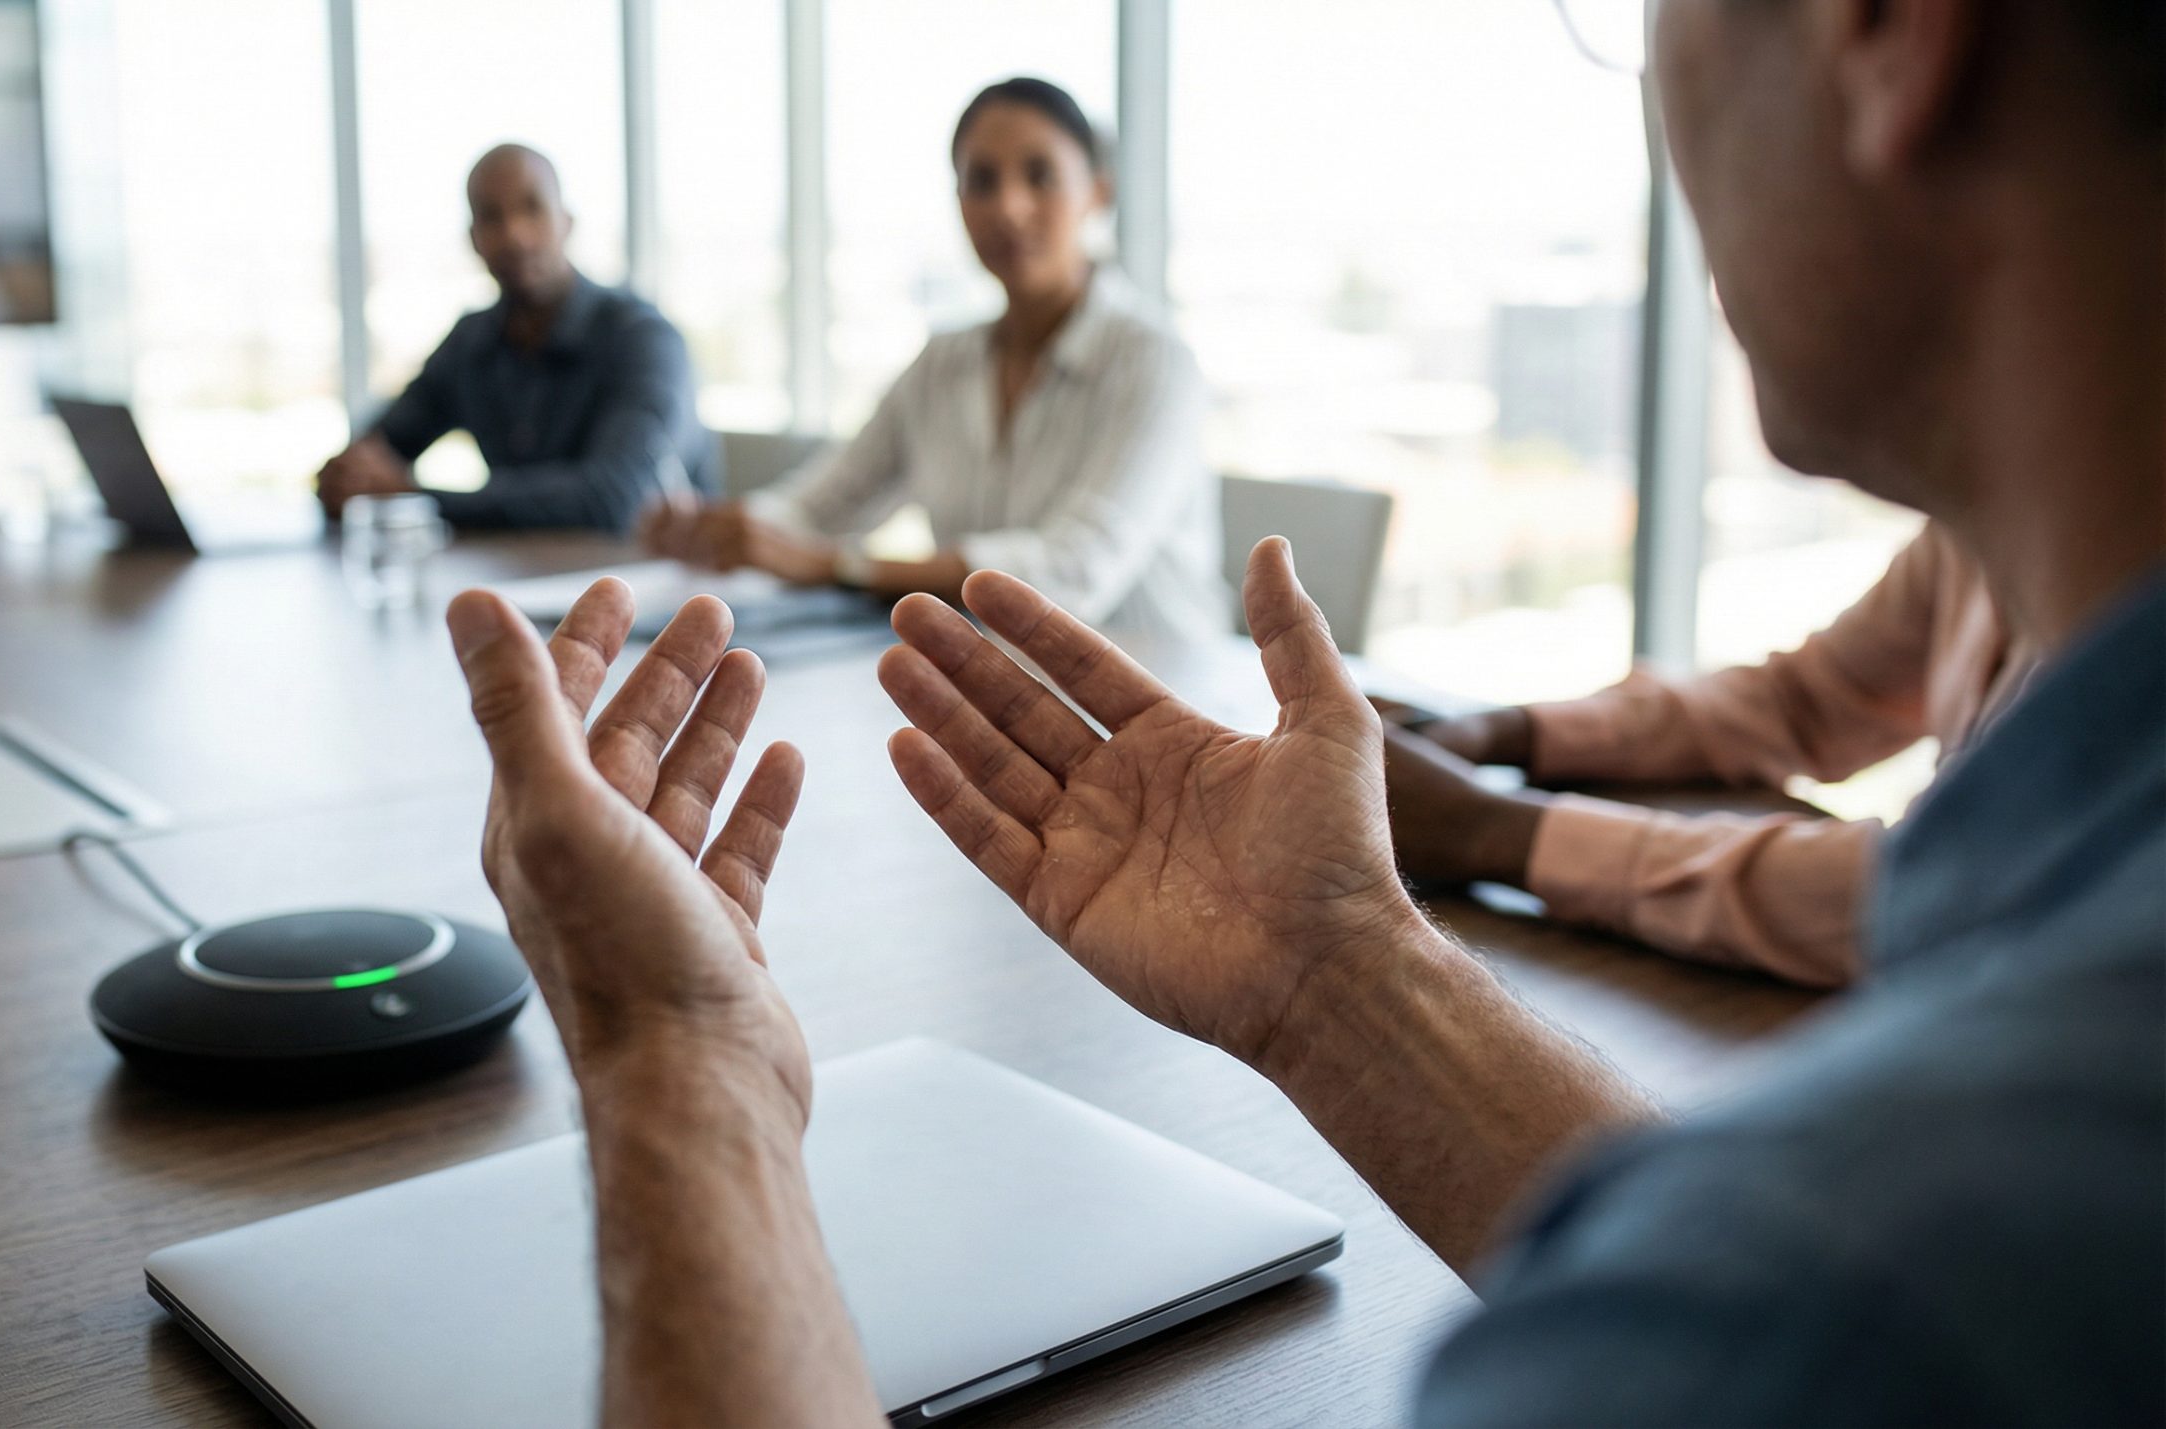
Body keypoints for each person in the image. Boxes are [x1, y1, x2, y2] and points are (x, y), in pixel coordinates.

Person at [441, 0, 2162, 1423]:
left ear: (1886, 27)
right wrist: (1342, 972)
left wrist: (684, 1063)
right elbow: (1763, 1243)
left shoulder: (1869, 1292)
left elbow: (1788, 1298)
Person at [641, 78, 1226, 643]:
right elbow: (824, 505)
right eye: (982, 180)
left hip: (1171, 696)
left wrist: (842, 567)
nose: (1010, 208)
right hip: (1003, 687)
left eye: (1040, 175)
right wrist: (724, 531)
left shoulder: (1156, 363)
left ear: (1099, 192)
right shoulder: (943, 363)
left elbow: (1074, 572)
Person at [1378, 519, 2028, 987]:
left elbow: (1935, 892)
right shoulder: (1978, 520)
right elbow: (1801, 702)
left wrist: (1493, 831)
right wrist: (1497, 733)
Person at [314, 144, 718, 535]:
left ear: (567, 221)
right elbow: (376, 452)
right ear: (473, 239)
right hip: (521, 580)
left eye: (532, 208)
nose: (515, 235)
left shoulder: (643, 339)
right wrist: (349, 478)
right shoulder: (472, 342)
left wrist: (414, 498)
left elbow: (613, 499)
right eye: (492, 216)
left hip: (657, 592)